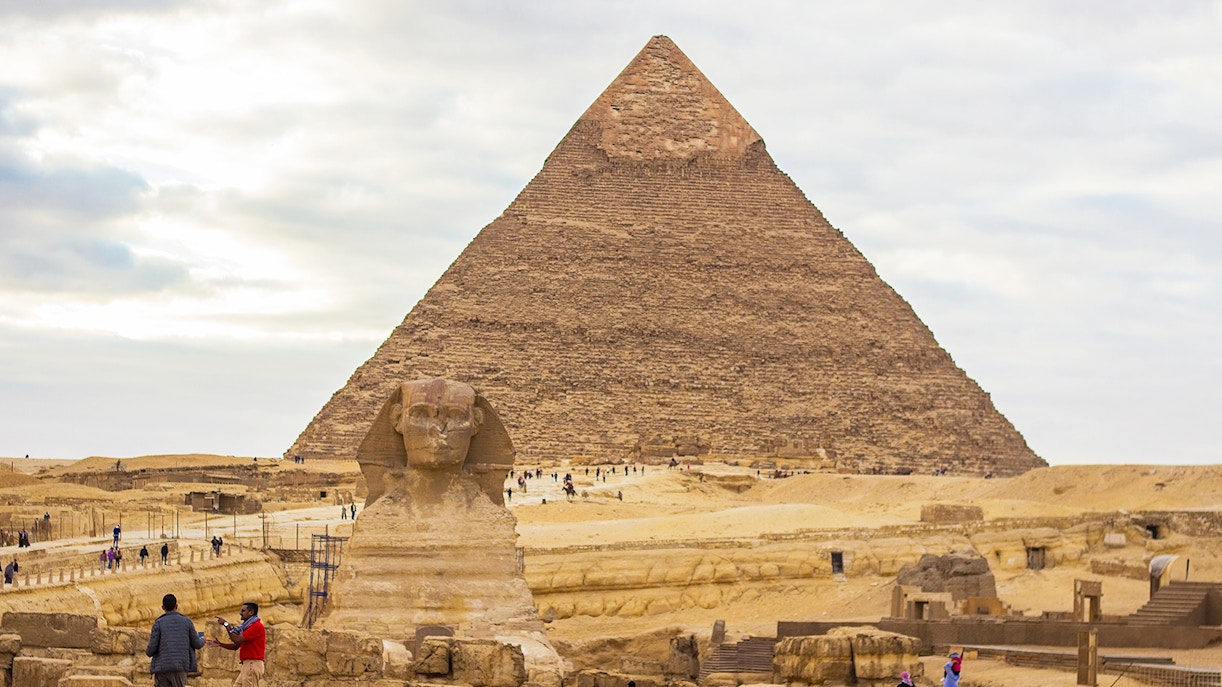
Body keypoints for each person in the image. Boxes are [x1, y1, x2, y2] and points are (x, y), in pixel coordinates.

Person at [146, 593, 205, 687]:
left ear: (163, 607)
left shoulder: (158, 623)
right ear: (176, 606)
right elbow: (197, 644)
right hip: (179, 667)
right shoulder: (187, 622)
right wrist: (203, 638)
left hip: (162, 668)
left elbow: (151, 650)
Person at [207, 602, 266, 686]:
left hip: (252, 664)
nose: (240, 613)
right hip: (247, 665)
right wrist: (220, 644)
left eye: (243, 611)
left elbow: (237, 639)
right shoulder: (246, 627)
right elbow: (236, 646)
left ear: (251, 612)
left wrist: (226, 624)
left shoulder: (256, 626)